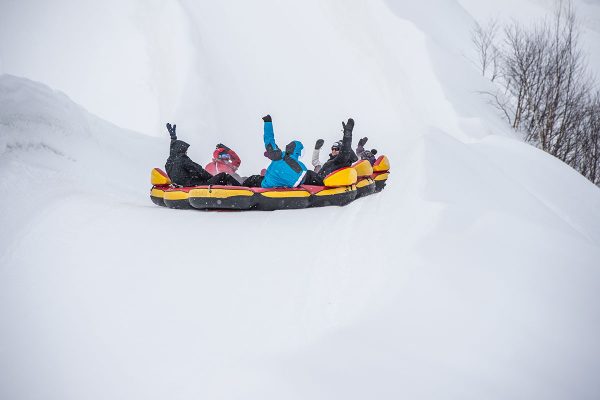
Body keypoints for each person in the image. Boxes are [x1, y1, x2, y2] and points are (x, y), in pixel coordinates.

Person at [164, 123, 240, 187]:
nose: (226, 158)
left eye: (226, 156)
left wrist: (173, 139)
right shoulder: (184, 160)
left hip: (189, 184)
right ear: (217, 156)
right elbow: (199, 171)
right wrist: (213, 178)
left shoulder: (170, 162)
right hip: (196, 185)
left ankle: (243, 188)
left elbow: (173, 153)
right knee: (223, 176)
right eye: (223, 156)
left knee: (235, 177)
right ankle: (242, 191)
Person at [242, 115, 307, 188]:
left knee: (253, 179)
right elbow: (303, 178)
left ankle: (241, 190)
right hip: (286, 188)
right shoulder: (302, 167)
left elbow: (269, 140)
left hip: (267, 184)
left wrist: (268, 122)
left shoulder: (279, 156)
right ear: (299, 152)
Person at [302, 118, 358, 186]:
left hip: (323, 183)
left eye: (336, 149)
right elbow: (316, 163)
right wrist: (317, 149)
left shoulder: (341, 160)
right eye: (332, 149)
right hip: (320, 179)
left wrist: (347, 135)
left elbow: (344, 152)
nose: (333, 151)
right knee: (311, 169)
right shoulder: (331, 161)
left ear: (341, 150)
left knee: (307, 174)